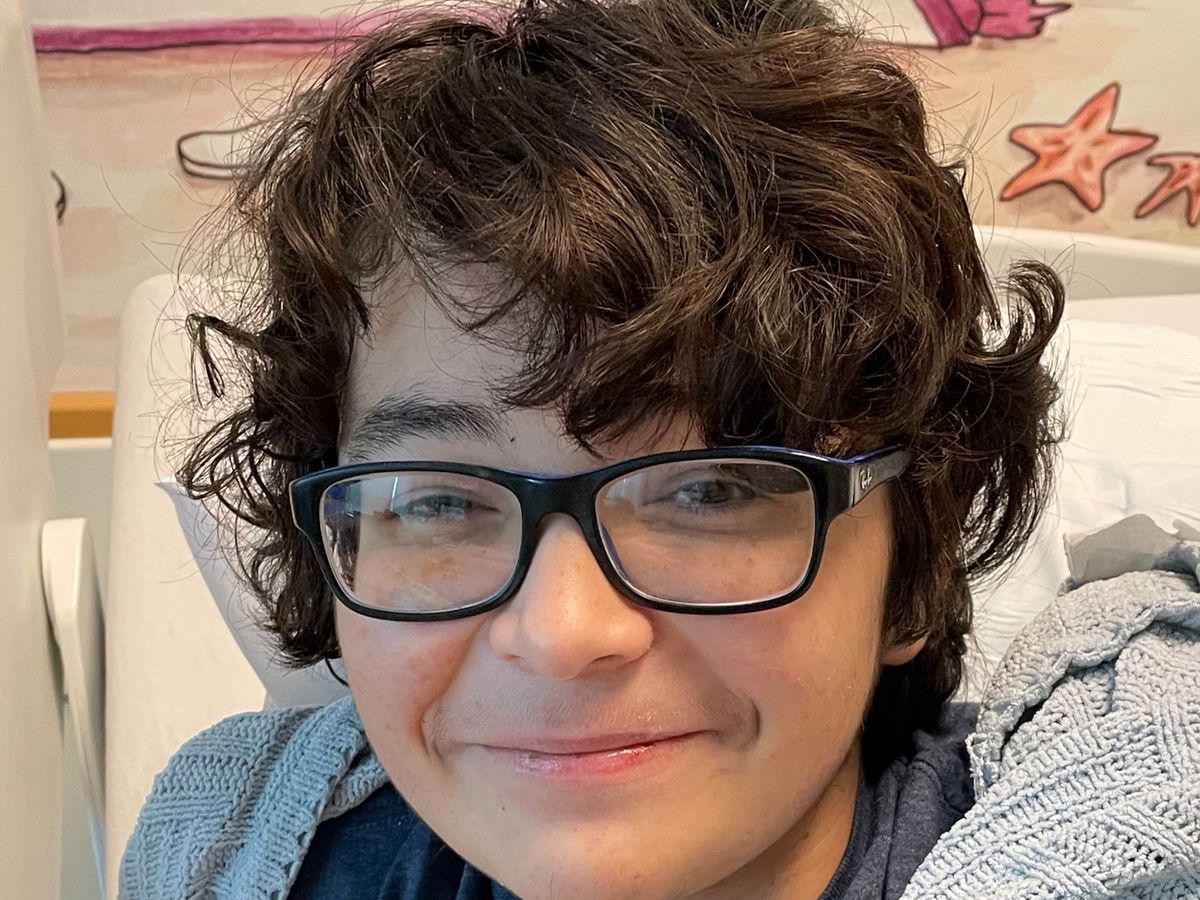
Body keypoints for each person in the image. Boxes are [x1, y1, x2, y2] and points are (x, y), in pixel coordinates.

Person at [119, 0, 1200, 897]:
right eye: (436, 501)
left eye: (713, 490)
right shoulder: (249, 855)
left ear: (912, 562)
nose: (561, 635)